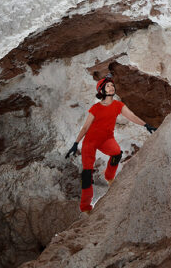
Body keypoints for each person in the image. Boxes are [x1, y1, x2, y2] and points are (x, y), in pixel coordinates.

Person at [65, 75, 156, 212]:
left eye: (112, 85)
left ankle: (109, 176)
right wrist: (75, 144)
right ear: (102, 90)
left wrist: (146, 125)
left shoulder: (118, 105)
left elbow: (132, 116)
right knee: (87, 174)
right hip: (90, 141)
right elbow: (85, 127)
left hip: (107, 139)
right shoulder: (96, 108)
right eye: (108, 86)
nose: (111, 87)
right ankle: (85, 206)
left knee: (116, 154)